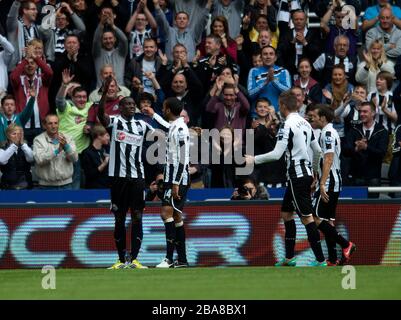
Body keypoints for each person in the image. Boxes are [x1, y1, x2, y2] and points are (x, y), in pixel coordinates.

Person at [246, 90, 327, 267]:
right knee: (286, 213)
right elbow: (318, 151)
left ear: (282, 106)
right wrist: (314, 172)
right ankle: (289, 258)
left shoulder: (287, 125)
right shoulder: (306, 123)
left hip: (297, 176)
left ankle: (321, 260)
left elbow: (276, 154)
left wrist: (254, 159)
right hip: (301, 175)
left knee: (307, 218)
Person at [97, 77, 152, 269]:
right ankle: (120, 260)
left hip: (137, 178)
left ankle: (135, 259)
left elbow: (160, 138)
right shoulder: (113, 122)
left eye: (132, 104)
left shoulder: (142, 126)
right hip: (117, 178)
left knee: (137, 216)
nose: (130, 106)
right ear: (120, 108)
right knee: (119, 217)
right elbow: (99, 115)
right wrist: (104, 92)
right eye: (126, 104)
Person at [142, 97, 190, 268]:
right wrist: (153, 114)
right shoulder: (175, 126)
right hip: (172, 178)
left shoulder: (181, 130)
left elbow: (184, 158)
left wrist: (176, 182)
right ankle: (182, 260)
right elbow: (166, 126)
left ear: (169, 109)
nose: (163, 110)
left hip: (177, 179)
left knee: (165, 213)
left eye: (163, 108)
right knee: (176, 216)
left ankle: (169, 258)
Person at [308, 104, 356, 266]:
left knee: (314, 218)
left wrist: (322, 183)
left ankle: (345, 244)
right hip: (332, 180)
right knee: (327, 221)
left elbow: (328, 158)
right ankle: (333, 259)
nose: (312, 118)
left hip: (329, 182)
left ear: (323, 117)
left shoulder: (328, 133)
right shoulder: (328, 132)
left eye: (314, 115)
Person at [343, 101, 389, 195]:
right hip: (356, 176)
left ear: (373, 113)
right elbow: (345, 151)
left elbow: (382, 153)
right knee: (356, 208)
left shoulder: (382, 131)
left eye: (365, 112)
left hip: (373, 178)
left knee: (373, 208)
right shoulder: (354, 130)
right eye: (360, 112)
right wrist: (355, 149)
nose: (362, 114)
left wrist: (366, 147)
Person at [33, 114, 78, 189]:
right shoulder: (38, 140)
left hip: (66, 185)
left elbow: (74, 159)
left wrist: (66, 147)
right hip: (46, 186)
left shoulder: (68, 138)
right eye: (50, 123)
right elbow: (40, 160)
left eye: (56, 123)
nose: (53, 126)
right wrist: (57, 151)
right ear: (44, 125)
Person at [247, 45, 291, 112]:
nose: (268, 56)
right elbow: (250, 94)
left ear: (275, 57)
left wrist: (274, 81)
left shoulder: (283, 71)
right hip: (258, 116)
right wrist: (265, 83)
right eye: (265, 54)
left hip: (278, 115)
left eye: (271, 54)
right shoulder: (254, 71)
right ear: (261, 58)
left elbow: (288, 93)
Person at [0, 124, 34, 190]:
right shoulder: (2, 148)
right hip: (8, 186)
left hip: (26, 185)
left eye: (19, 134)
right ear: (8, 135)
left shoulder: (26, 147)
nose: (17, 136)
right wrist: (14, 145)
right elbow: (2, 160)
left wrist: (23, 145)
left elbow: (31, 158)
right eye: (14, 134)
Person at [80, 124, 111, 189]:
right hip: (93, 191)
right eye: (107, 135)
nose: (109, 138)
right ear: (99, 136)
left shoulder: (105, 150)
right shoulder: (86, 153)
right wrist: (104, 164)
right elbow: (89, 175)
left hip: (107, 188)